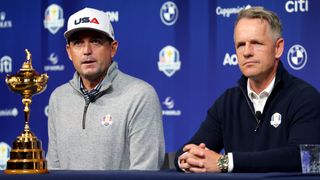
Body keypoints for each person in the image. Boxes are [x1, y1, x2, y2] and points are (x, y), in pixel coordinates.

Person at [175, 7, 320, 173]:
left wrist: (226, 162)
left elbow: (304, 158)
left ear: (278, 48)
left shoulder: (305, 97)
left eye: (256, 43)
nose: (247, 52)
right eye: (240, 45)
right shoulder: (228, 101)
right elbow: (186, 151)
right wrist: (188, 159)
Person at [46, 7, 165, 170]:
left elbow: (145, 171)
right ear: (69, 52)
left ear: (113, 48)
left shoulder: (140, 95)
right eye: (78, 43)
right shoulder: (58, 98)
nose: (87, 51)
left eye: (96, 41)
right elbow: (54, 168)